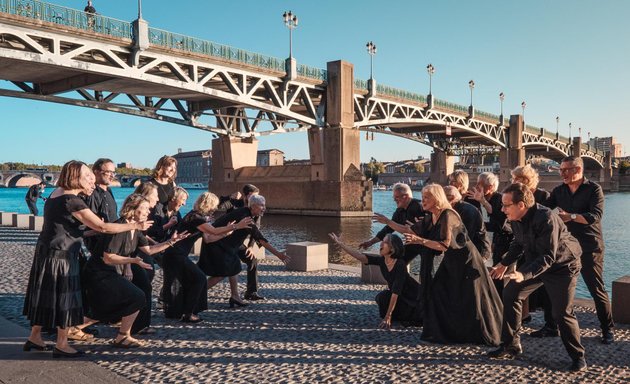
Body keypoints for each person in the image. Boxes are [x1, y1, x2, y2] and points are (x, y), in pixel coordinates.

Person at [22, 160, 152, 358]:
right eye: (88, 177)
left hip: (47, 252)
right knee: (65, 298)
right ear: (75, 178)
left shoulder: (56, 194)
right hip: (62, 256)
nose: (91, 181)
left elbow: (72, 227)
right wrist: (134, 226)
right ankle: (62, 344)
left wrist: (89, 231)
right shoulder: (73, 200)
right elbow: (103, 227)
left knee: (46, 296)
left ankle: (35, 336)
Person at [488, 183, 586, 372]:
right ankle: (511, 346)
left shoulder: (547, 218)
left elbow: (548, 256)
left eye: (506, 205)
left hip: (563, 266)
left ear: (521, 205)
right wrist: (504, 264)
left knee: (561, 313)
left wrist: (522, 274)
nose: (502, 209)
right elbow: (518, 243)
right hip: (537, 263)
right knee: (511, 293)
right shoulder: (515, 217)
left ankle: (578, 356)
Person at [83, 194, 189, 344]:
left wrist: (171, 241)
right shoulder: (120, 227)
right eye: (144, 208)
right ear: (132, 209)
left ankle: (117, 334)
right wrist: (132, 260)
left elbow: (149, 250)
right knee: (135, 297)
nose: (148, 212)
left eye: (148, 209)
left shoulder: (137, 230)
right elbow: (108, 258)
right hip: (98, 273)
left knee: (121, 302)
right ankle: (122, 335)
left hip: (111, 272)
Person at [403, 184, 502, 346]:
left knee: (472, 299)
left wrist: (419, 240)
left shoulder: (449, 214)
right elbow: (413, 230)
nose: (422, 201)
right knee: (442, 293)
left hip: (467, 260)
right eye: (422, 197)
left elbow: (445, 244)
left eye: (426, 197)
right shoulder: (433, 215)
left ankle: (475, 333)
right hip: (452, 260)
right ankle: (447, 331)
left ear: (437, 198)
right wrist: (387, 222)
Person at [545, 156, 615, 344]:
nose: (562, 173)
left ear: (577, 170)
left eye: (565, 170)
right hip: (567, 249)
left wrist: (571, 216)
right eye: (560, 170)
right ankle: (551, 326)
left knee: (596, 289)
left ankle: (607, 329)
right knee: (556, 286)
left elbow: (595, 216)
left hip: (590, 247)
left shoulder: (594, 189)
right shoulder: (559, 191)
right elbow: (544, 209)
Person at [162, 192, 253, 322]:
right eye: (214, 206)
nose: (215, 209)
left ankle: (181, 311)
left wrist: (227, 233)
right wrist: (236, 226)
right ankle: (188, 313)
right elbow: (213, 231)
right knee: (199, 279)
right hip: (175, 254)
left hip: (177, 254)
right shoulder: (195, 217)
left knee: (188, 281)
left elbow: (209, 239)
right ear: (208, 205)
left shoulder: (197, 217)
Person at [200, 194, 289, 303]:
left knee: (238, 265)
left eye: (264, 205)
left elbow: (256, 235)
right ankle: (196, 292)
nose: (264, 208)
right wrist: (278, 254)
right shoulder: (245, 217)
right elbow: (261, 239)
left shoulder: (251, 214)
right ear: (253, 206)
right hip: (218, 243)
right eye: (261, 205)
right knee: (221, 274)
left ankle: (238, 295)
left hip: (231, 243)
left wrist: (250, 247)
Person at [329, 233, 421, 328]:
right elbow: (360, 257)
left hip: (414, 296)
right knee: (382, 298)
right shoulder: (382, 260)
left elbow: (395, 293)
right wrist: (341, 244)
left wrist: (387, 316)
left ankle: (405, 316)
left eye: (385, 242)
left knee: (415, 314)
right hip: (401, 296)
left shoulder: (400, 264)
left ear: (392, 249)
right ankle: (400, 316)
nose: (381, 244)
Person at [511, 164, 551, 330]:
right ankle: (523, 316)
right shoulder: (515, 197)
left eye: (517, 180)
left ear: (527, 181)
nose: (514, 183)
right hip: (525, 246)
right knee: (519, 281)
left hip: (543, 248)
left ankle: (551, 324)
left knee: (547, 288)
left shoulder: (544, 196)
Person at [217, 184, 264, 301]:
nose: (256, 199)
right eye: (254, 196)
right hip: (224, 239)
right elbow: (219, 206)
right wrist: (229, 197)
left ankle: (251, 292)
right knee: (220, 270)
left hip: (238, 242)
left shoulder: (256, 208)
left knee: (252, 260)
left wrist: (251, 247)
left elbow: (256, 230)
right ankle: (195, 290)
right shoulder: (234, 203)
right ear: (247, 196)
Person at [471, 172, 512, 296]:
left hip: (508, 242)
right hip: (497, 241)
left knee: (499, 277)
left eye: (481, 184)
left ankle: (501, 308)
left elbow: (500, 223)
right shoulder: (479, 199)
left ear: (491, 187)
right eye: (477, 183)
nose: (477, 186)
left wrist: (483, 201)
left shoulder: (500, 199)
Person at [365, 183, 425, 264]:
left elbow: (413, 231)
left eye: (397, 197)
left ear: (406, 196)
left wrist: (387, 221)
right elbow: (388, 229)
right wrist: (370, 242)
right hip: (412, 242)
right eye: (394, 197)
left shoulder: (419, 206)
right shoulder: (399, 211)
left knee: (426, 271)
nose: (394, 200)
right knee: (398, 262)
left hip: (426, 243)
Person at [443, 185, 491, 261]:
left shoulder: (467, 211)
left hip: (476, 251)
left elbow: (464, 238)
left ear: (451, 199)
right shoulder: (452, 210)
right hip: (460, 250)